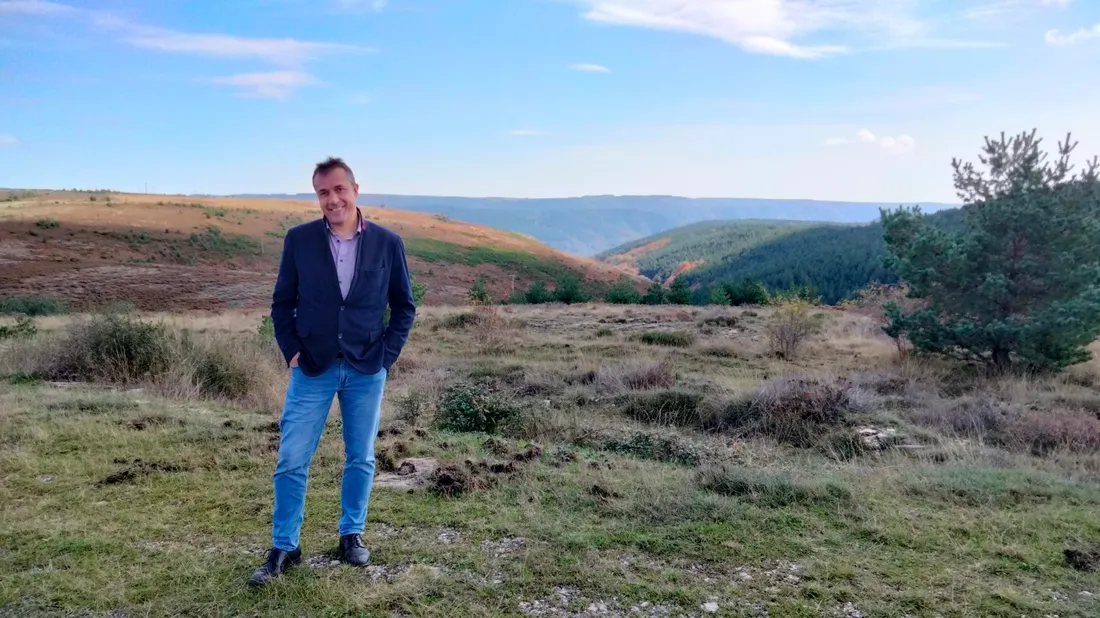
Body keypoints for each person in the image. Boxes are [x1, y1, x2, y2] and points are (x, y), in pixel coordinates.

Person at [248, 157, 417, 587]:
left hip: (366, 367)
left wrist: (386, 356)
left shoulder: (387, 242)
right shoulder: (299, 240)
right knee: (291, 458)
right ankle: (285, 546)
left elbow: (404, 307)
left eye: (339, 189)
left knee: (360, 456)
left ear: (355, 190)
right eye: (323, 192)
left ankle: (350, 534)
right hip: (312, 367)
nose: (332, 199)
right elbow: (282, 303)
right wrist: (291, 350)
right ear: (317, 196)